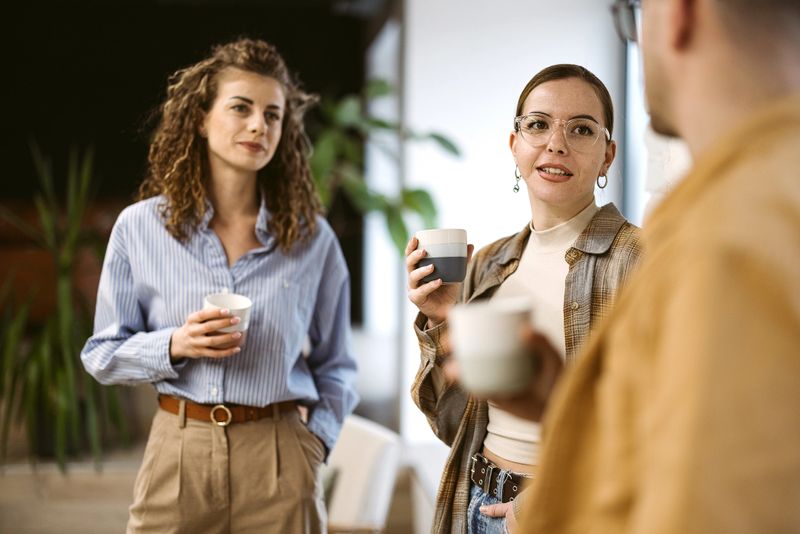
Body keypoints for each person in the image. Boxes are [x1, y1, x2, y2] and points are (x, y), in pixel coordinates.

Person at [509, 0, 800, 532]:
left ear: (681, 12)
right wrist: (567, 403)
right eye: (538, 125)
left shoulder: (723, 241)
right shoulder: (752, 202)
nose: (555, 144)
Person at [81, 38, 358, 533]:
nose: (258, 125)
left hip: (279, 457)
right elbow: (101, 354)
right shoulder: (139, 228)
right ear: (202, 119)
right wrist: (175, 343)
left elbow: (337, 366)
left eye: (273, 115)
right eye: (241, 108)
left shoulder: (312, 239)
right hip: (177, 449)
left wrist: (313, 444)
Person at [405, 64, 643, 533]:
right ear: (515, 146)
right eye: (538, 124)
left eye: (581, 129)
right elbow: (455, 422)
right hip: (472, 500)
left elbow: (659, 419)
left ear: (608, 156)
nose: (556, 142)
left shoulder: (640, 259)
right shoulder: (491, 262)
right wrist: (445, 318)